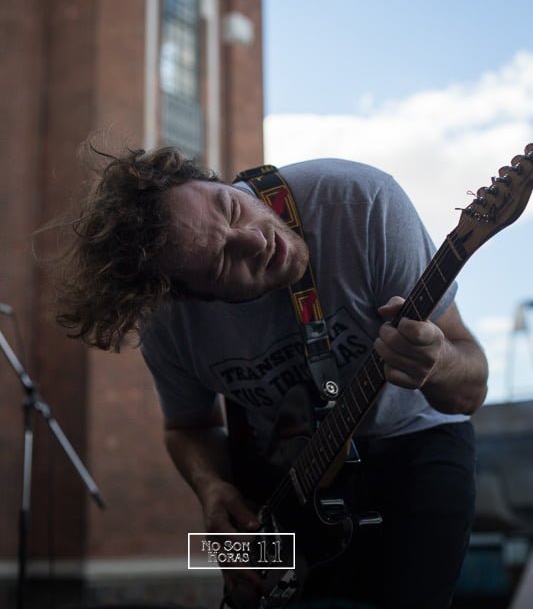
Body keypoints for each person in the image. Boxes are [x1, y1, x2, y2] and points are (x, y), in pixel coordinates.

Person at [56, 143, 488, 609]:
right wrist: (211, 489)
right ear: (190, 298)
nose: (255, 241)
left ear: (216, 182)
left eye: (230, 207)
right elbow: (186, 428)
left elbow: (471, 391)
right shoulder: (167, 324)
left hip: (414, 444)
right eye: (224, 260)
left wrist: (437, 362)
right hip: (277, 486)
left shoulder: (361, 200)